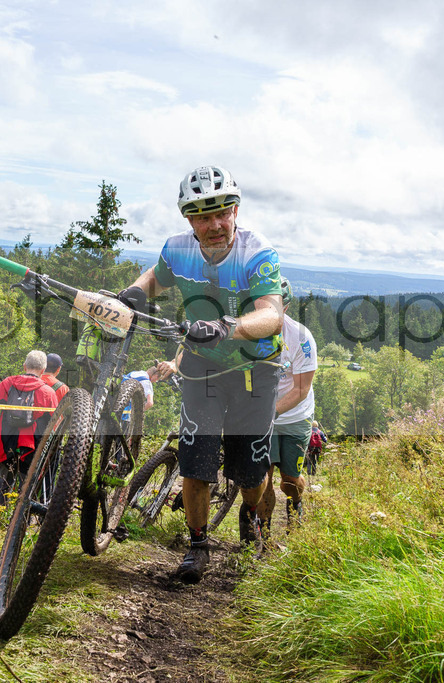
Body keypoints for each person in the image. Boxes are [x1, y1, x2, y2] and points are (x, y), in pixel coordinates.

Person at [118, 165, 284, 584]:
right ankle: (197, 545)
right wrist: (136, 292)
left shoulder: (257, 251)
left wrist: (228, 326)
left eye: (221, 213)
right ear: (188, 219)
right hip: (202, 366)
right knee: (196, 460)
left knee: (250, 472)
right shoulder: (177, 249)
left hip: (254, 368)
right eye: (202, 216)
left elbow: (272, 314)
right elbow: (156, 278)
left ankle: (252, 514)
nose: (213, 225)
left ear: (235, 210)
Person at [257, 277, 318, 536]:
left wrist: (272, 412)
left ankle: (296, 507)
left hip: (294, 415)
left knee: (289, 481)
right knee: (262, 480)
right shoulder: (247, 333)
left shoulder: (301, 338)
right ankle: (265, 536)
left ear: (287, 307)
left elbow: (301, 389)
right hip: (260, 415)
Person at [0, 350, 60, 507]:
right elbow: (55, 426)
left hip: (7, 442)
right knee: (27, 490)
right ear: (43, 370)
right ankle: (21, 526)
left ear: (24, 366)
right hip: (32, 448)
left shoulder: (7, 384)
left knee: (4, 486)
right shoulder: (48, 392)